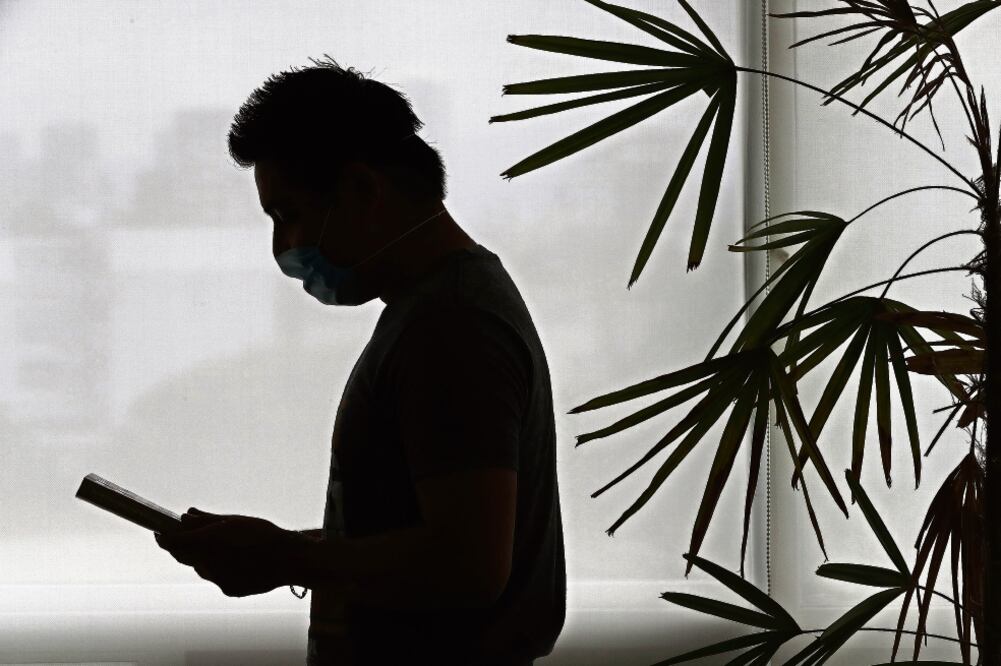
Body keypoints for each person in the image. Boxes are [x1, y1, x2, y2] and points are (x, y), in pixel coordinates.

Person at [154, 55, 566, 666]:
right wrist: (278, 549)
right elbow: (421, 540)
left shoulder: (449, 327)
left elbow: (467, 567)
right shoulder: (440, 307)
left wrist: (285, 559)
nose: (281, 248)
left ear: (361, 189)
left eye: (287, 215)